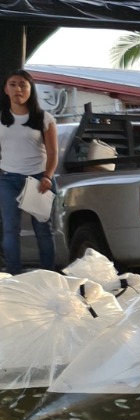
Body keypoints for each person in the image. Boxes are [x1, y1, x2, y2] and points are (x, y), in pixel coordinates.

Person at [0, 69, 57, 274]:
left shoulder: (44, 118)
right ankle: (14, 275)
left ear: (30, 89)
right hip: (8, 179)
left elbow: (53, 152)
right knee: (10, 230)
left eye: (23, 85)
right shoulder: (1, 118)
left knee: (43, 230)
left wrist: (48, 176)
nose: (18, 89)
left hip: (38, 179)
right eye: (13, 84)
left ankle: (48, 274)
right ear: (6, 89)